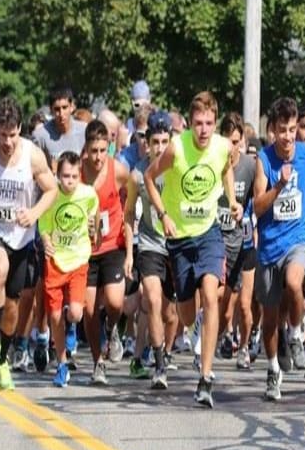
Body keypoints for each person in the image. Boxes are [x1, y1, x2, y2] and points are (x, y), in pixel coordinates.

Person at [142, 91, 239, 408]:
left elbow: (226, 168)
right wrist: (163, 215)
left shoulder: (223, 146)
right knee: (184, 315)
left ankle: (205, 377)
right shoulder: (176, 148)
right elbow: (149, 175)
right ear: (190, 122)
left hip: (209, 232)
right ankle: (195, 324)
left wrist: (233, 200)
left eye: (209, 123)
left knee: (211, 295)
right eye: (198, 123)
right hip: (180, 239)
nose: (204, 130)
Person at [0, 96, 57, 390]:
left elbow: (51, 189)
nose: (8, 142)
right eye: (3, 134)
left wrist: (35, 213)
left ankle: (3, 359)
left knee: (13, 304)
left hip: (23, 236)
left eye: (13, 135)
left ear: (20, 131)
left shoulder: (33, 155)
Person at [252, 98, 305, 400]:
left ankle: (296, 334)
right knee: (269, 319)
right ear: (273, 130)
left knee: (297, 282)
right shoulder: (264, 160)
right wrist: (278, 187)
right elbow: (256, 207)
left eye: (293, 129)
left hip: (298, 239)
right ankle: (272, 370)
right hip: (270, 245)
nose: (289, 136)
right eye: (283, 130)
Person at [125, 114, 179, 388]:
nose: (159, 148)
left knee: (171, 315)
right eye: (155, 142)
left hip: (177, 243)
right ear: (146, 144)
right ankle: (159, 364)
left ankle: (166, 352)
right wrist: (129, 254)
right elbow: (128, 217)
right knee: (152, 301)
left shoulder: (179, 168)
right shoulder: (137, 174)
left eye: (164, 142)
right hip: (149, 243)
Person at [38, 152, 99, 387]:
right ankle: (62, 364)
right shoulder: (51, 196)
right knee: (53, 316)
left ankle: (67, 324)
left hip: (79, 259)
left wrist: (94, 228)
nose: (69, 181)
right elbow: (42, 223)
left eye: (74, 176)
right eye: (65, 176)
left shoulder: (88, 195)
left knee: (75, 313)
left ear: (80, 175)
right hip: (55, 260)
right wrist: (45, 240)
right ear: (57, 174)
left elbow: (94, 216)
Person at [79, 119, 132, 384]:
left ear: (108, 147)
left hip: (112, 245)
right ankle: (98, 362)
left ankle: (113, 328)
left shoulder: (118, 171)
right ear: (86, 148)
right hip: (85, 249)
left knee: (113, 302)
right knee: (88, 310)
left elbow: (131, 194)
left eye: (102, 150)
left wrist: (128, 226)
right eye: (93, 150)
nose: (98, 157)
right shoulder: (76, 173)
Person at [217, 113, 257, 369]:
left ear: (242, 140)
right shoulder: (214, 164)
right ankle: (223, 335)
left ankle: (244, 347)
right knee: (224, 306)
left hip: (246, 242)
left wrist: (251, 217)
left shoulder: (250, 167)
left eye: (236, 141)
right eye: (227, 141)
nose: (232, 147)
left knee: (245, 304)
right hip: (221, 243)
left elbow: (259, 199)